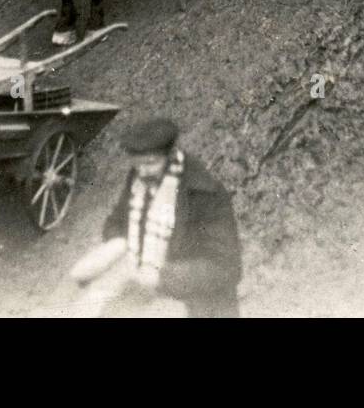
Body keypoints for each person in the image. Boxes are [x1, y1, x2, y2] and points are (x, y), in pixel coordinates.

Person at [72, 117, 242, 317]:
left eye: (150, 163)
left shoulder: (204, 193)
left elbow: (225, 268)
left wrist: (159, 277)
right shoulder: (140, 178)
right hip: (144, 290)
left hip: (196, 303)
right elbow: (117, 222)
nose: (142, 172)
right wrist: (117, 244)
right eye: (137, 165)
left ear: (171, 155)